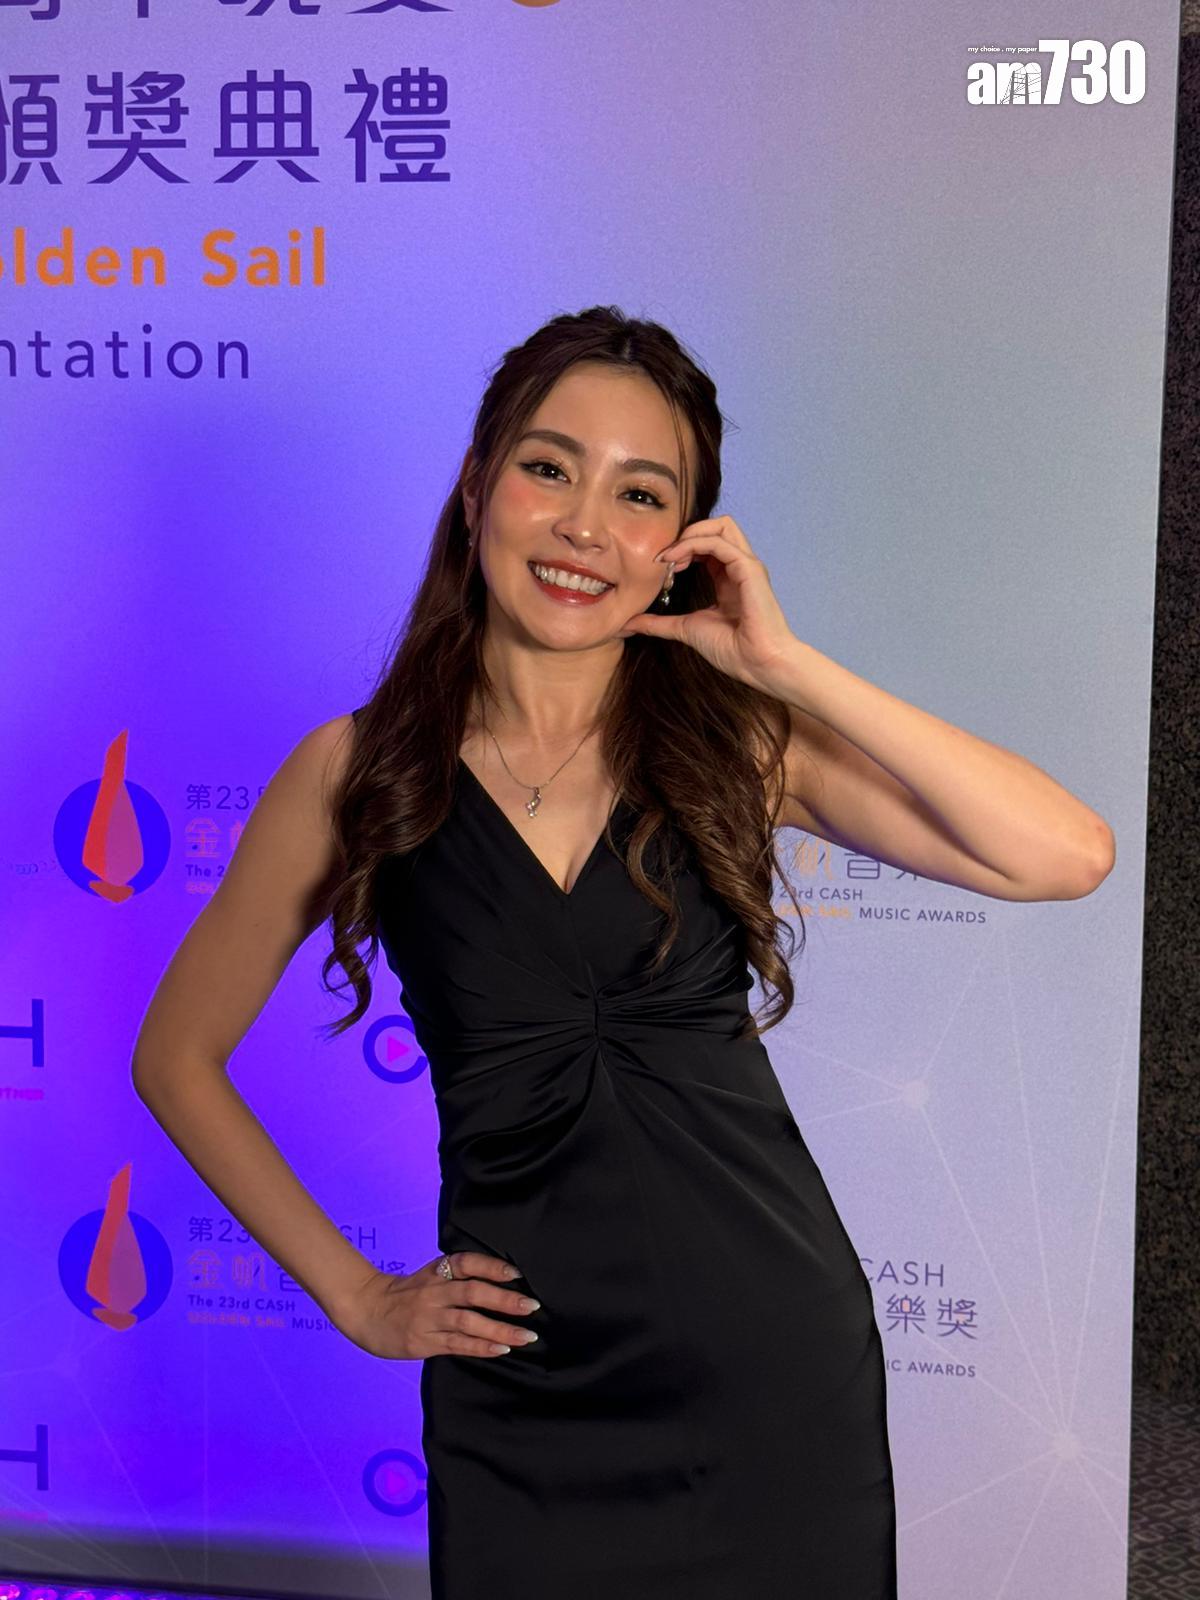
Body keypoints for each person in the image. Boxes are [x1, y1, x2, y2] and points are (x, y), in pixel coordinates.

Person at [132, 305, 1115, 1599]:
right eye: (550, 468)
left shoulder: (739, 741)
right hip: (522, 1394)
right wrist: (359, 1298)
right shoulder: (356, 770)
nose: (585, 527)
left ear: (683, 548)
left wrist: (788, 666)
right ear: (476, 487)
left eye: (641, 494)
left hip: (773, 1372)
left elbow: (1066, 854)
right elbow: (174, 1056)